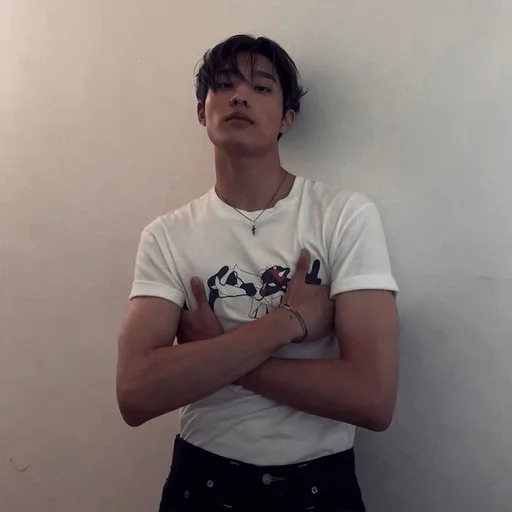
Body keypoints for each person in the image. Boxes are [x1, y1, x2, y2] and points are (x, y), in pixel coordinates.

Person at [116, 34, 399, 512]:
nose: (240, 96)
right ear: (202, 112)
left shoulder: (342, 216)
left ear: (287, 119)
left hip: (317, 487)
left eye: (261, 87)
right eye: (224, 85)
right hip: (201, 483)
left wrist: (214, 353)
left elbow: (372, 399)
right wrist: (285, 324)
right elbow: (135, 394)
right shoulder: (167, 236)